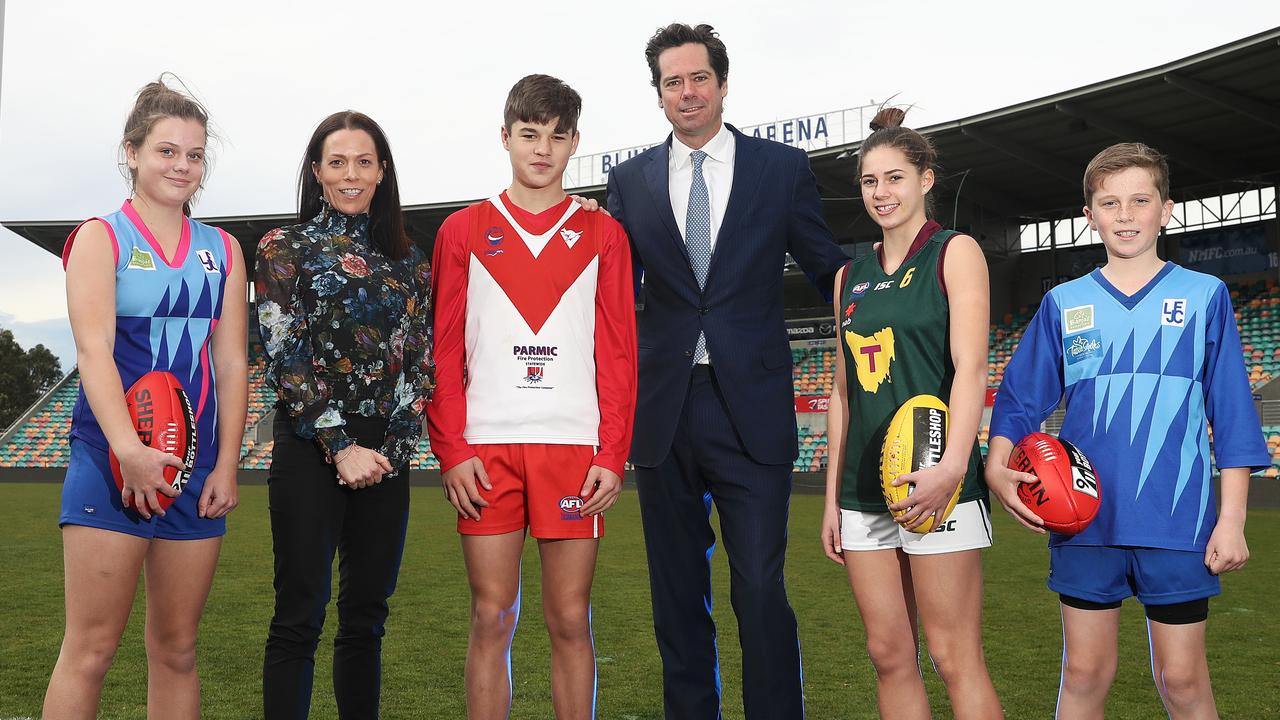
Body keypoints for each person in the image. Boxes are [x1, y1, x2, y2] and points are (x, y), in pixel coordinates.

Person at [605, 23, 848, 718]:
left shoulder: (781, 168)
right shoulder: (630, 180)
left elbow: (827, 265)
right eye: (672, 82)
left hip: (752, 406)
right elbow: (615, 295)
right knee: (678, 594)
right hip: (665, 410)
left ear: (723, 82)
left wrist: (901, 280)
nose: (687, 92)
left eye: (698, 78)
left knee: (761, 589)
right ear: (658, 95)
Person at [986, 142, 1269, 720]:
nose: (1125, 214)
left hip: (1178, 519)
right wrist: (996, 463)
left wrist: (1233, 519)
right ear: (1089, 214)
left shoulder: (1203, 296)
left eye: (1140, 200)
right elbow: (1018, 399)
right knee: (1085, 673)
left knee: (1183, 680)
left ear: (1166, 209)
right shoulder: (1063, 303)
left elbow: (1232, 409)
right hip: (1085, 518)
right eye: (1109, 202)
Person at [427, 73, 636, 720]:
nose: (541, 149)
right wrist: (453, 450)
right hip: (486, 449)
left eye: (556, 136)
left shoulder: (604, 236)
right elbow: (443, 350)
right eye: (528, 134)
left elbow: (619, 352)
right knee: (492, 616)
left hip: (572, 447)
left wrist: (611, 452)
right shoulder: (462, 231)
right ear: (505, 137)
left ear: (575, 142)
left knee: (570, 618)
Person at [44, 76, 246, 720]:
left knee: (179, 649)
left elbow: (232, 360)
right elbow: (94, 352)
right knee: (92, 648)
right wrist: (129, 450)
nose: (182, 166)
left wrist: (225, 463)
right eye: (167, 151)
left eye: (194, 155)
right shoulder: (101, 238)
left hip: (196, 469)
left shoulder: (224, 250)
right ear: (132, 152)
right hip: (112, 460)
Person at [819, 107, 1003, 720]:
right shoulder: (851, 275)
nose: (881, 193)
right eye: (871, 182)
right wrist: (831, 502)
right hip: (863, 491)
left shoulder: (956, 252)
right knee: (889, 655)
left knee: (955, 657)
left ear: (926, 178)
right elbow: (842, 392)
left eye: (894, 178)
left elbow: (971, 369)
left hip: (939, 481)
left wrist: (953, 468)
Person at [256, 111, 433, 720]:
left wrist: (393, 449)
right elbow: (286, 353)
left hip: (385, 452)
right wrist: (340, 447)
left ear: (382, 171)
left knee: (367, 619)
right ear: (316, 171)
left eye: (364, 161)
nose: (351, 174)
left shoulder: (411, 260)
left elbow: (421, 361)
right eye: (338, 162)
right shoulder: (283, 249)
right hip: (311, 446)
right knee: (298, 614)